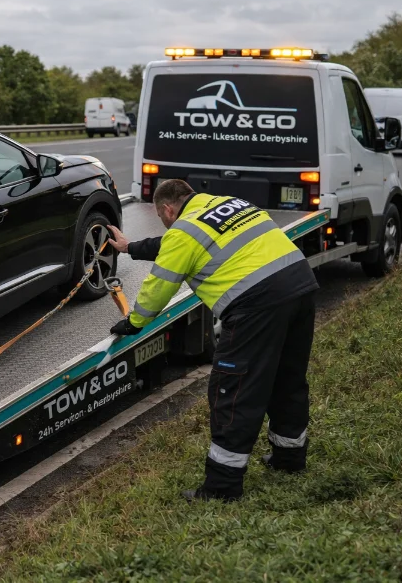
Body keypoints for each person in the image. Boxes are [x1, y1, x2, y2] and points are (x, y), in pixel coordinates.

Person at [106, 179, 318, 502]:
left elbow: (157, 289)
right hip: (300, 284)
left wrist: (134, 323)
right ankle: (289, 458)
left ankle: (222, 487)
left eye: (162, 217)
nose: (165, 224)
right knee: (287, 377)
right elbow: (172, 245)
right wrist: (130, 248)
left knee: (233, 392)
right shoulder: (225, 205)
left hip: (256, 305)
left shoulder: (183, 231)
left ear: (167, 209)